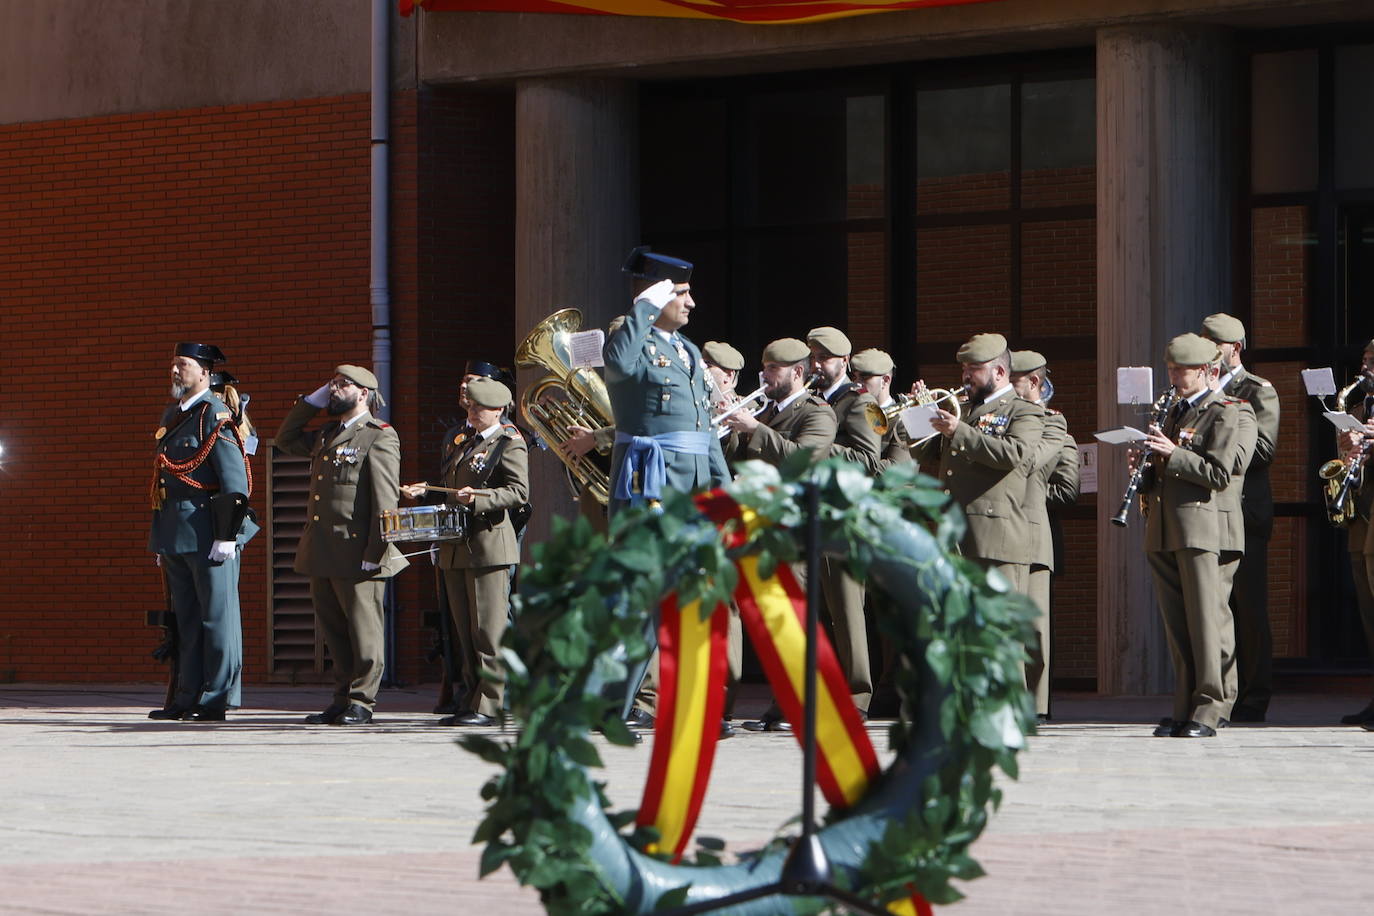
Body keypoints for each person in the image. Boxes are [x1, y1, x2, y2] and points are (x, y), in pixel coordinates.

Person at [1136, 334, 1256, 738]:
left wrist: (1173, 454)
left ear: (1206, 371)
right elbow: (1167, 473)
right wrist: (1145, 466)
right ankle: (1184, 706)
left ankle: (1209, 709)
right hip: (1167, 527)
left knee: (1206, 622)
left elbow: (1221, 474)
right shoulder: (1175, 410)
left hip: (1206, 529)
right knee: (1178, 624)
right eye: (1171, 369)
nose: (1174, 377)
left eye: (1181, 371)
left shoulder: (1229, 412)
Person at [276, 364, 408, 725]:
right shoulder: (327, 434)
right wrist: (312, 400)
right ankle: (341, 697)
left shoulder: (379, 435)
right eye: (331, 384)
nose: (334, 390)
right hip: (323, 550)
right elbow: (286, 439)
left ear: (364, 393)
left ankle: (362, 702)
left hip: (358, 551)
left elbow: (385, 501)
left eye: (342, 385)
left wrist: (376, 552)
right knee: (334, 631)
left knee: (364, 631)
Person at [723, 337, 838, 732]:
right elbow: (741, 459)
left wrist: (754, 428)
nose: (766, 376)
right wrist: (728, 430)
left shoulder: (817, 413)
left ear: (798, 373)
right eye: (765, 367)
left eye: (774, 370)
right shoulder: (767, 411)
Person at [403, 377, 529, 727]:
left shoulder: (509, 442)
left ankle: (491, 704)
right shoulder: (465, 442)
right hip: (457, 547)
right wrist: (426, 490)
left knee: (489, 631)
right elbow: (452, 489)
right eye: (470, 407)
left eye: (479, 408)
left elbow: (519, 493)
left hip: (489, 546)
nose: (471, 413)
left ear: (498, 410)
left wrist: (480, 498)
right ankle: (471, 700)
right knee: (465, 632)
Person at [148, 343, 258, 721]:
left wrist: (226, 535)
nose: (175, 371)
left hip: (211, 534)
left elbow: (235, 481)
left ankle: (216, 698)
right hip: (178, 534)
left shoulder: (215, 415)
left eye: (183, 365)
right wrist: (163, 538)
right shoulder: (175, 414)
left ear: (205, 374)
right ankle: (186, 695)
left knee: (216, 618)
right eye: (173, 364)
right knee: (188, 621)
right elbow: (165, 482)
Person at [912, 333, 1045, 595]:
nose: (966, 375)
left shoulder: (1023, 411)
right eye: (964, 368)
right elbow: (924, 454)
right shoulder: (962, 409)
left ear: (998, 371)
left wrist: (957, 431)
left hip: (995, 542)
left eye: (974, 368)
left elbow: (1013, 454)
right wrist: (919, 413)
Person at [603, 247, 728, 512]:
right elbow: (619, 366)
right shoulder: (631, 342)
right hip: (651, 484)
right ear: (656, 297)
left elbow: (705, 428)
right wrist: (644, 308)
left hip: (695, 487)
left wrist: (723, 489)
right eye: (681, 293)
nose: (691, 302)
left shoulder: (689, 349)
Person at [1200, 313, 1281, 723]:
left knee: (1247, 609)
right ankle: (1222, 696)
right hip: (1208, 510)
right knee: (1215, 607)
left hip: (1245, 510)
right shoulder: (1201, 391)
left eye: (1215, 341)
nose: (1208, 346)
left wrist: (1218, 444)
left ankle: (1254, 695)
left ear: (1235, 348)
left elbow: (1264, 450)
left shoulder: (1256, 390)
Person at [807, 327, 881, 716]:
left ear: (845, 363)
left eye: (826, 359)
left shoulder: (862, 402)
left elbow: (869, 460)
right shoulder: (807, 400)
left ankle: (856, 697)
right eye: (814, 357)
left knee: (847, 611)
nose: (817, 365)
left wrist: (815, 443)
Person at [1009, 350, 1079, 723]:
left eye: (1013, 382)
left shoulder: (1055, 425)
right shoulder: (998, 420)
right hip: (998, 532)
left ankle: (1036, 705)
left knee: (1034, 628)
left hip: (1034, 533)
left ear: (1034, 382)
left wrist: (1027, 497)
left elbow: (1067, 489)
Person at [1338, 340, 1374, 727]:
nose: (1365, 367)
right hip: (1362, 522)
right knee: (1369, 615)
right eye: (1364, 360)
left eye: (1372, 361)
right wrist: (1349, 451)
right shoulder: (1361, 411)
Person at [850, 348, 914, 475]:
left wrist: (845, 463)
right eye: (854, 377)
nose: (857, 383)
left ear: (885, 380)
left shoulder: (903, 419)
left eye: (864, 377)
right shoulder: (852, 413)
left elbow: (898, 471)